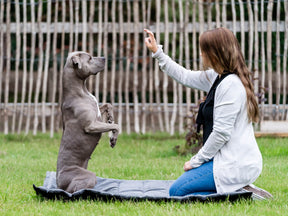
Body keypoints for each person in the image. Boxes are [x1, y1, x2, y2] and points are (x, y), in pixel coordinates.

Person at [144, 27, 271, 198]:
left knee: (178, 191)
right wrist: (158, 52)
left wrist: (196, 161)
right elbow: (185, 76)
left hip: (235, 163)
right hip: (224, 159)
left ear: (215, 53)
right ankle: (237, 188)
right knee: (181, 189)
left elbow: (221, 133)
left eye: (203, 50)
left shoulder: (231, 85)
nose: (201, 54)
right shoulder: (217, 77)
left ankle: (240, 192)